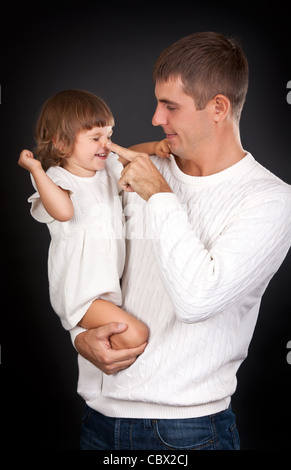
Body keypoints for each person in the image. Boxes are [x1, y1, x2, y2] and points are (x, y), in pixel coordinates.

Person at [73, 32, 290, 450]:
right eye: (158, 103)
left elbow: (196, 300)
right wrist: (79, 335)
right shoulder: (143, 167)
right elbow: (78, 257)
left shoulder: (272, 201)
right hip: (98, 422)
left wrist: (160, 194)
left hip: (186, 434)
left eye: (170, 106)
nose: (155, 118)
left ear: (218, 108)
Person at [18, 89, 154, 350]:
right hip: (81, 294)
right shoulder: (57, 179)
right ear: (61, 143)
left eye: (109, 136)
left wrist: (154, 147)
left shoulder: (105, 169)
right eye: (95, 138)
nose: (107, 144)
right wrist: (36, 170)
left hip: (107, 288)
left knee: (131, 335)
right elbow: (64, 212)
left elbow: (129, 155)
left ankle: (97, 372)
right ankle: (88, 345)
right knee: (136, 334)